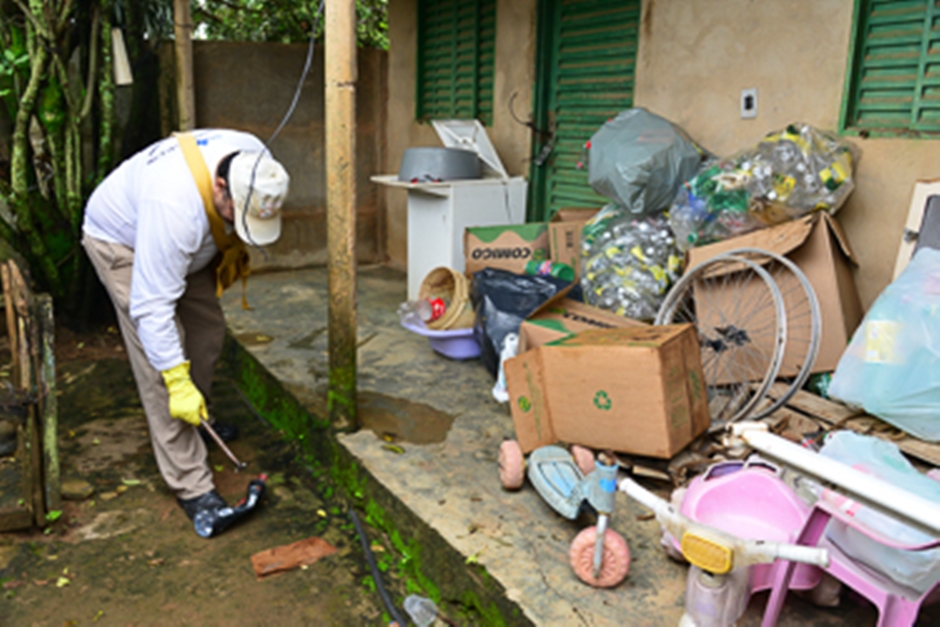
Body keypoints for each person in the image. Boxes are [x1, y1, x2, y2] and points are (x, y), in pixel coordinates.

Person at [81, 128, 289, 535]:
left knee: (207, 334)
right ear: (220, 186)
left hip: (189, 246)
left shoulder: (258, 163)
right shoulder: (174, 208)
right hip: (123, 244)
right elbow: (151, 307)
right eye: (236, 216)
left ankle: (199, 422)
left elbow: (220, 222)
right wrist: (178, 380)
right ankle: (191, 485)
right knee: (161, 363)